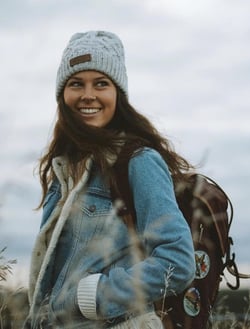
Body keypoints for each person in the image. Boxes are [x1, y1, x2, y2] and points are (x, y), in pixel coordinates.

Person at [24, 30, 196, 329]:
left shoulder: (137, 161)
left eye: (101, 84)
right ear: (63, 95)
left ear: (118, 94)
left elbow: (178, 261)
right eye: (76, 83)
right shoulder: (64, 170)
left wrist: (97, 294)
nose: (88, 94)